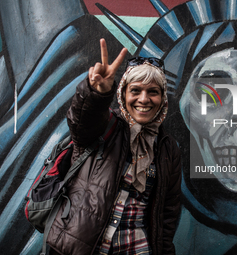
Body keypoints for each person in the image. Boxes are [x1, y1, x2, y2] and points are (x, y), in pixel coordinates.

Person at [47, 39, 182, 255]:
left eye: (153, 92)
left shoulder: (167, 148)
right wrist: (96, 93)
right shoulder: (106, 126)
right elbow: (81, 122)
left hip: (138, 249)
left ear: (163, 97)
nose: (144, 99)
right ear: (123, 94)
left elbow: (168, 213)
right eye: (135, 90)